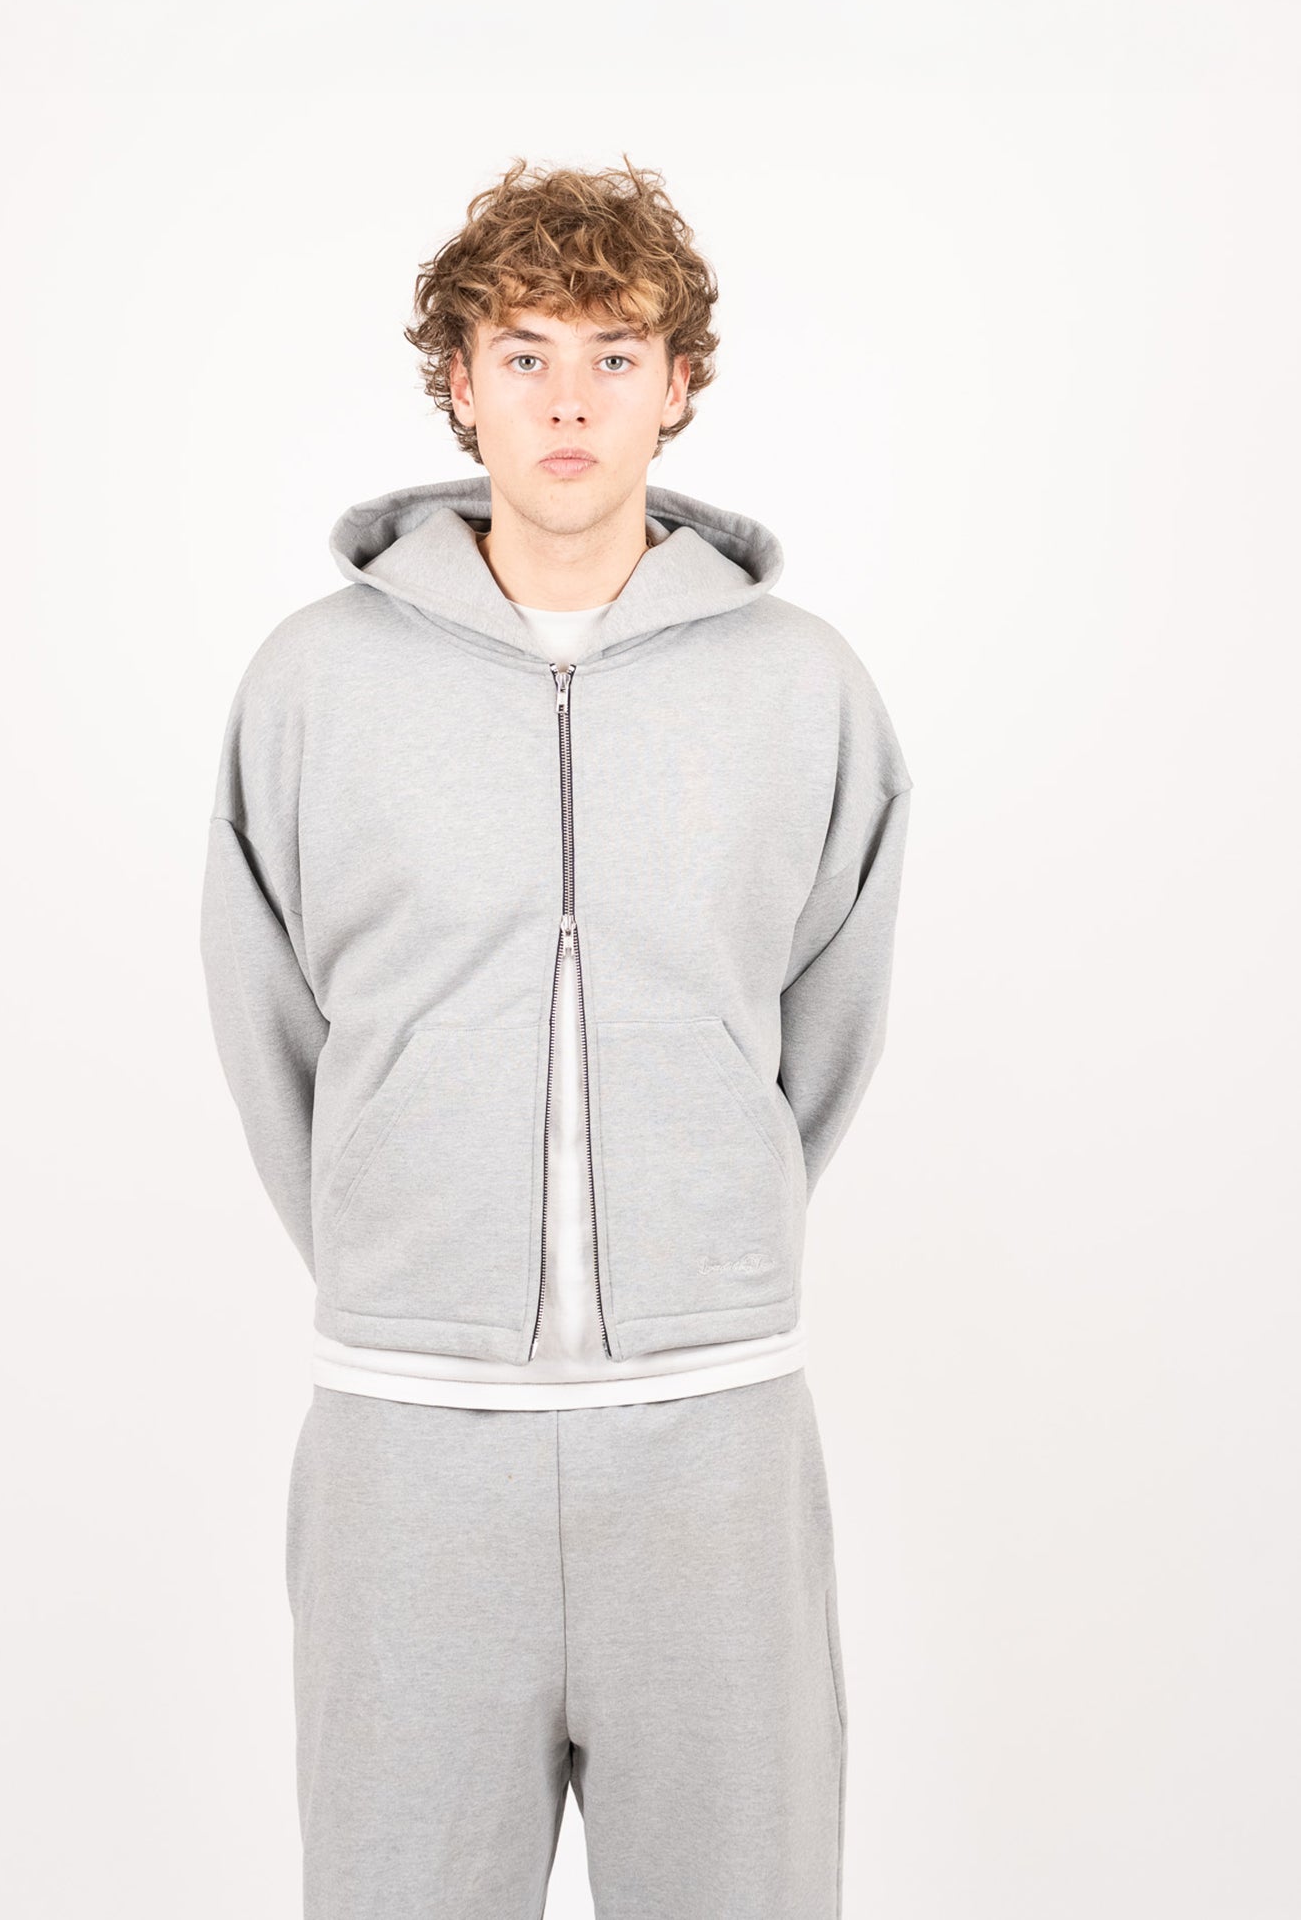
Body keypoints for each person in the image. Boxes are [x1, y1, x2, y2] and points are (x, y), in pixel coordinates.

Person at [200, 155, 913, 1917]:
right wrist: (405, 1260)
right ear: (458, 383)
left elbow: (821, 1032)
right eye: (524, 355)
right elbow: (272, 1024)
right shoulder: (312, 685)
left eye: (615, 353)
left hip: (716, 1446)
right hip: (408, 1456)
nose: (569, 400)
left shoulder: (804, 688)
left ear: (682, 383)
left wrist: (716, 1237)